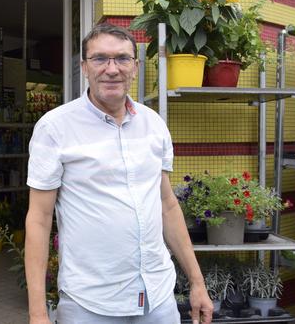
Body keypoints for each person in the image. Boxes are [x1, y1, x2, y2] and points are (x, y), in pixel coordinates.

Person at [25, 23, 212, 324]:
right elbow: (39, 219)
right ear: (84, 67)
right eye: (100, 58)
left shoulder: (154, 125)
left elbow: (167, 205)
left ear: (135, 67)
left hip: (158, 297)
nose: (112, 69)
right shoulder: (55, 128)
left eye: (122, 59)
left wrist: (197, 282)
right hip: (89, 303)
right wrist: (37, 313)